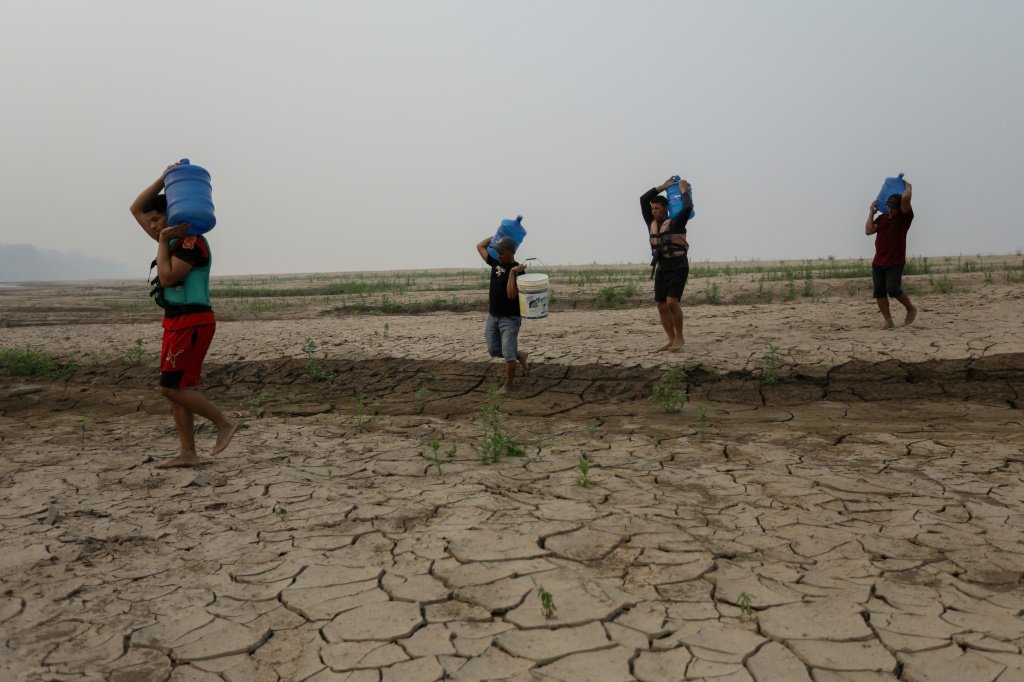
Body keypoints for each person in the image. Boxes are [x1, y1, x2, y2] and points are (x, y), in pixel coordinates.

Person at [130, 163, 237, 468]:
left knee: (170, 386)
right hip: (175, 322)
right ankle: (188, 453)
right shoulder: (172, 241)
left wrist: (163, 241)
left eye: (156, 220)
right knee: (177, 391)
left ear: (172, 215)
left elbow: (167, 278)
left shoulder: (190, 242)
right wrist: (165, 177)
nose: (151, 226)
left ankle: (224, 423)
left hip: (193, 321)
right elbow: (136, 208)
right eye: (149, 223)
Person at [640, 177, 693, 351]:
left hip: (678, 266)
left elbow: (687, 207)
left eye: (657, 208)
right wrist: (662, 187)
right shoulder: (652, 223)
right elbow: (643, 199)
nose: (653, 211)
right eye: (652, 209)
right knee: (661, 305)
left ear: (666, 208)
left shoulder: (677, 221)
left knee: (671, 302)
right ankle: (671, 339)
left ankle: (680, 337)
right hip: (662, 268)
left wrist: (684, 191)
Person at [476, 235, 529, 394]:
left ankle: (508, 385)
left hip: (510, 319)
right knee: (493, 350)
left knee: (507, 354)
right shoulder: (495, 261)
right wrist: (498, 234)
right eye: (498, 252)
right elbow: (480, 245)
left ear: (512, 252)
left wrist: (512, 273)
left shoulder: (519, 270)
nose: (499, 255)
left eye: (502, 252)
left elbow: (511, 295)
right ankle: (520, 355)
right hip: (493, 316)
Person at [865, 180, 917, 329]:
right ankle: (888, 321)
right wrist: (871, 213)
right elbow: (868, 231)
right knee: (879, 293)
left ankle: (910, 308)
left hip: (895, 261)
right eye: (889, 206)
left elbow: (906, 199)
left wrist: (908, 187)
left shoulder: (904, 219)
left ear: (899, 208)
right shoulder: (882, 219)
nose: (891, 210)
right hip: (878, 262)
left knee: (893, 289)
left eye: (894, 207)